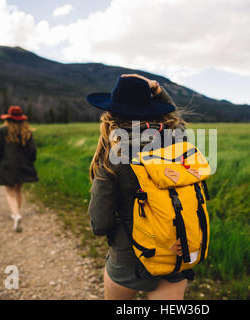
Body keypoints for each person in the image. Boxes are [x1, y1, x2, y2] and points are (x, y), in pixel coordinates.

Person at [87, 74, 190, 300]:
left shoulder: (112, 157)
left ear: (111, 116)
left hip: (129, 260)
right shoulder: (178, 142)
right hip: (175, 254)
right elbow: (175, 118)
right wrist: (157, 89)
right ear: (152, 110)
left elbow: (99, 225)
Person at [0, 106, 38, 232]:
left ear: (9, 118)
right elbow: (32, 151)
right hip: (23, 166)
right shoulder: (27, 131)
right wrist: (30, 162)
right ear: (21, 119)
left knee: (10, 192)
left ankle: (16, 215)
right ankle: (17, 212)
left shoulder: (2, 131)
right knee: (18, 190)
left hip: (7, 166)